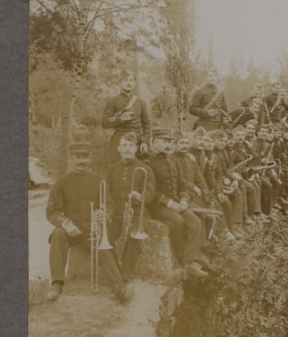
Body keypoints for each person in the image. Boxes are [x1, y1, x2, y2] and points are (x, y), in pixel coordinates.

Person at [45, 138, 130, 303]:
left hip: (91, 229)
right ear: (71, 158)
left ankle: (119, 288)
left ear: (89, 158)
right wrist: (66, 223)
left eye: (84, 157)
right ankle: (56, 284)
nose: (81, 161)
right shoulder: (62, 182)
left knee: (103, 244)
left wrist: (104, 213)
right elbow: (52, 211)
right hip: (70, 230)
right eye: (77, 157)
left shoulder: (98, 181)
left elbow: (109, 204)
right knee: (57, 234)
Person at [145, 129, 209, 277]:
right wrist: (168, 203)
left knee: (195, 222)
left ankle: (190, 261)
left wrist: (184, 199)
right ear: (153, 142)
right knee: (178, 221)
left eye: (169, 142)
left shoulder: (170, 161)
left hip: (176, 203)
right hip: (156, 206)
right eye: (163, 142)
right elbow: (150, 191)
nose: (167, 145)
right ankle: (182, 261)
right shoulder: (148, 162)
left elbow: (182, 184)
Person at [107, 132, 155, 281]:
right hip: (116, 212)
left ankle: (124, 276)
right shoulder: (112, 169)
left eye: (131, 145)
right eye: (124, 145)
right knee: (106, 238)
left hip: (137, 213)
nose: (127, 148)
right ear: (118, 149)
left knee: (134, 237)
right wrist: (107, 210)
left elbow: (150, 191)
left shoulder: (145, 168)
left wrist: (140, 196)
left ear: (136, 149)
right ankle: (114, 271)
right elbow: (107, 193)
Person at [102, 71, 151, 164]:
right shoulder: (113, 101)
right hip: (119, 141)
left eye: (131, 80)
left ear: (134, 83)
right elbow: (104, 123)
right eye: (125, 80)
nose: (129, 83)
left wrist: (144, 141)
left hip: (137, 141)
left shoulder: (140, 102)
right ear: (120, 82)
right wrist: (120, 119)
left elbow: (147, 126)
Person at [188, 66, 231, 132]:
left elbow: (225, 110)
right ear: (206, 77)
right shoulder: (200, 91)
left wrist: (225, 119)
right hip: (204, 126)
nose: (212, 78)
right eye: (210, 76)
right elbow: (191, 109)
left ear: (217, 78)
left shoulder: (220, 92)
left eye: (214, 76)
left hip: (218, 127)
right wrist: (206, 113)